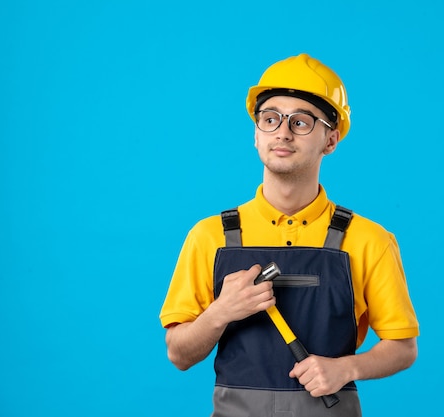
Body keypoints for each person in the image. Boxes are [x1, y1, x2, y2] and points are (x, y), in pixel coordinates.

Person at [160, 53, 419, 417]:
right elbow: (179, 355)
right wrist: (221, 312)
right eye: (270, 119)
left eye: (301, 122)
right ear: (256, 135)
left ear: (331, 139)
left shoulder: (368, 239)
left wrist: (346, 368)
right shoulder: (210, 236)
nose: (282, 132)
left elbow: (403, 347)